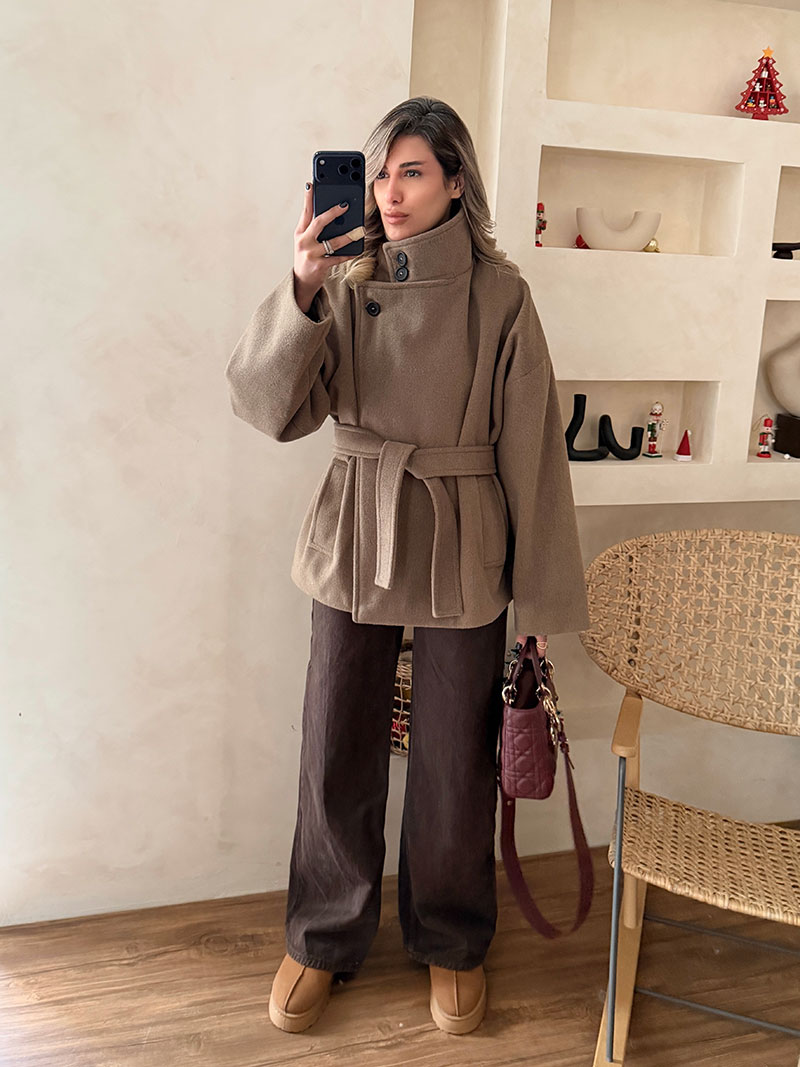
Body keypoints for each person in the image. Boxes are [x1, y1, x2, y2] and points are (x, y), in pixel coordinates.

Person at [225, 96, 590, 1036]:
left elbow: (533, 454)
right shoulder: (345, 280)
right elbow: (269, 410)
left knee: (454, 759)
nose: (389, 192)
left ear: (456, 182)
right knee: (334, 739)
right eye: (381, 172)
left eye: (412, 172)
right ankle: (322, 934)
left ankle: (453, 939)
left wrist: (539, 605)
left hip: (462, 535)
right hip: (358, 525)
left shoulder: (500, 296)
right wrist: (301, 285)